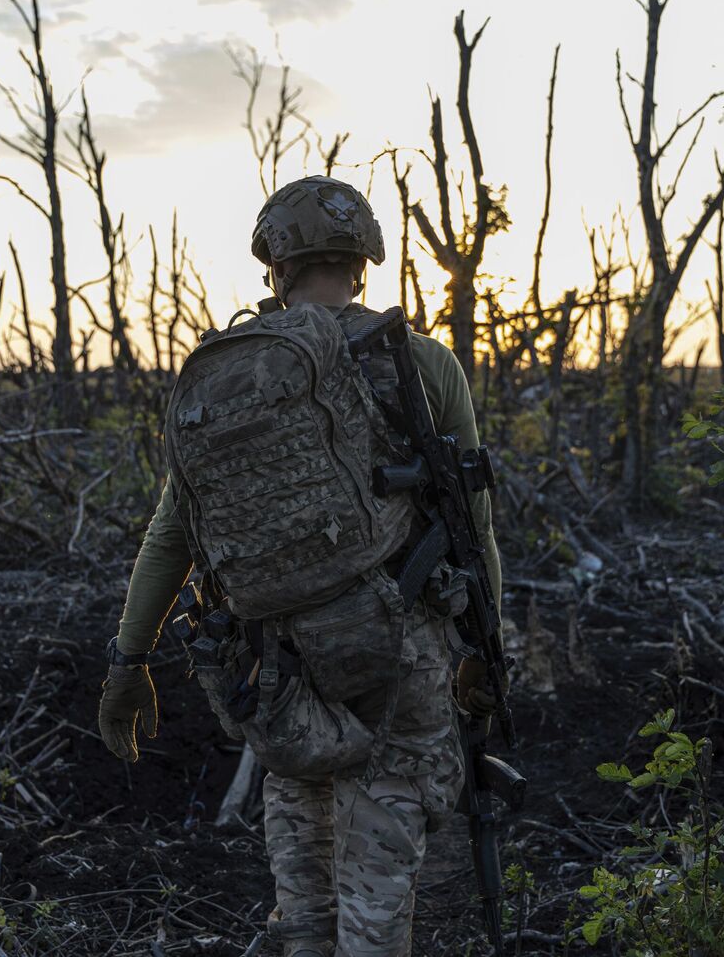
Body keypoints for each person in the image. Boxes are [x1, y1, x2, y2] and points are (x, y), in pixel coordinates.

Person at [97, 175, 503, 957]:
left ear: (273, 269)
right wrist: (488, 646)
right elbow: (472, 522)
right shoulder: (422, 361)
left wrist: (129, 658)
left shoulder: (232, 378)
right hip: (397, 656)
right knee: (376, 891)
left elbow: (172, 530)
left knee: (305, 883)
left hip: (276, 663)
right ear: (364, 262)